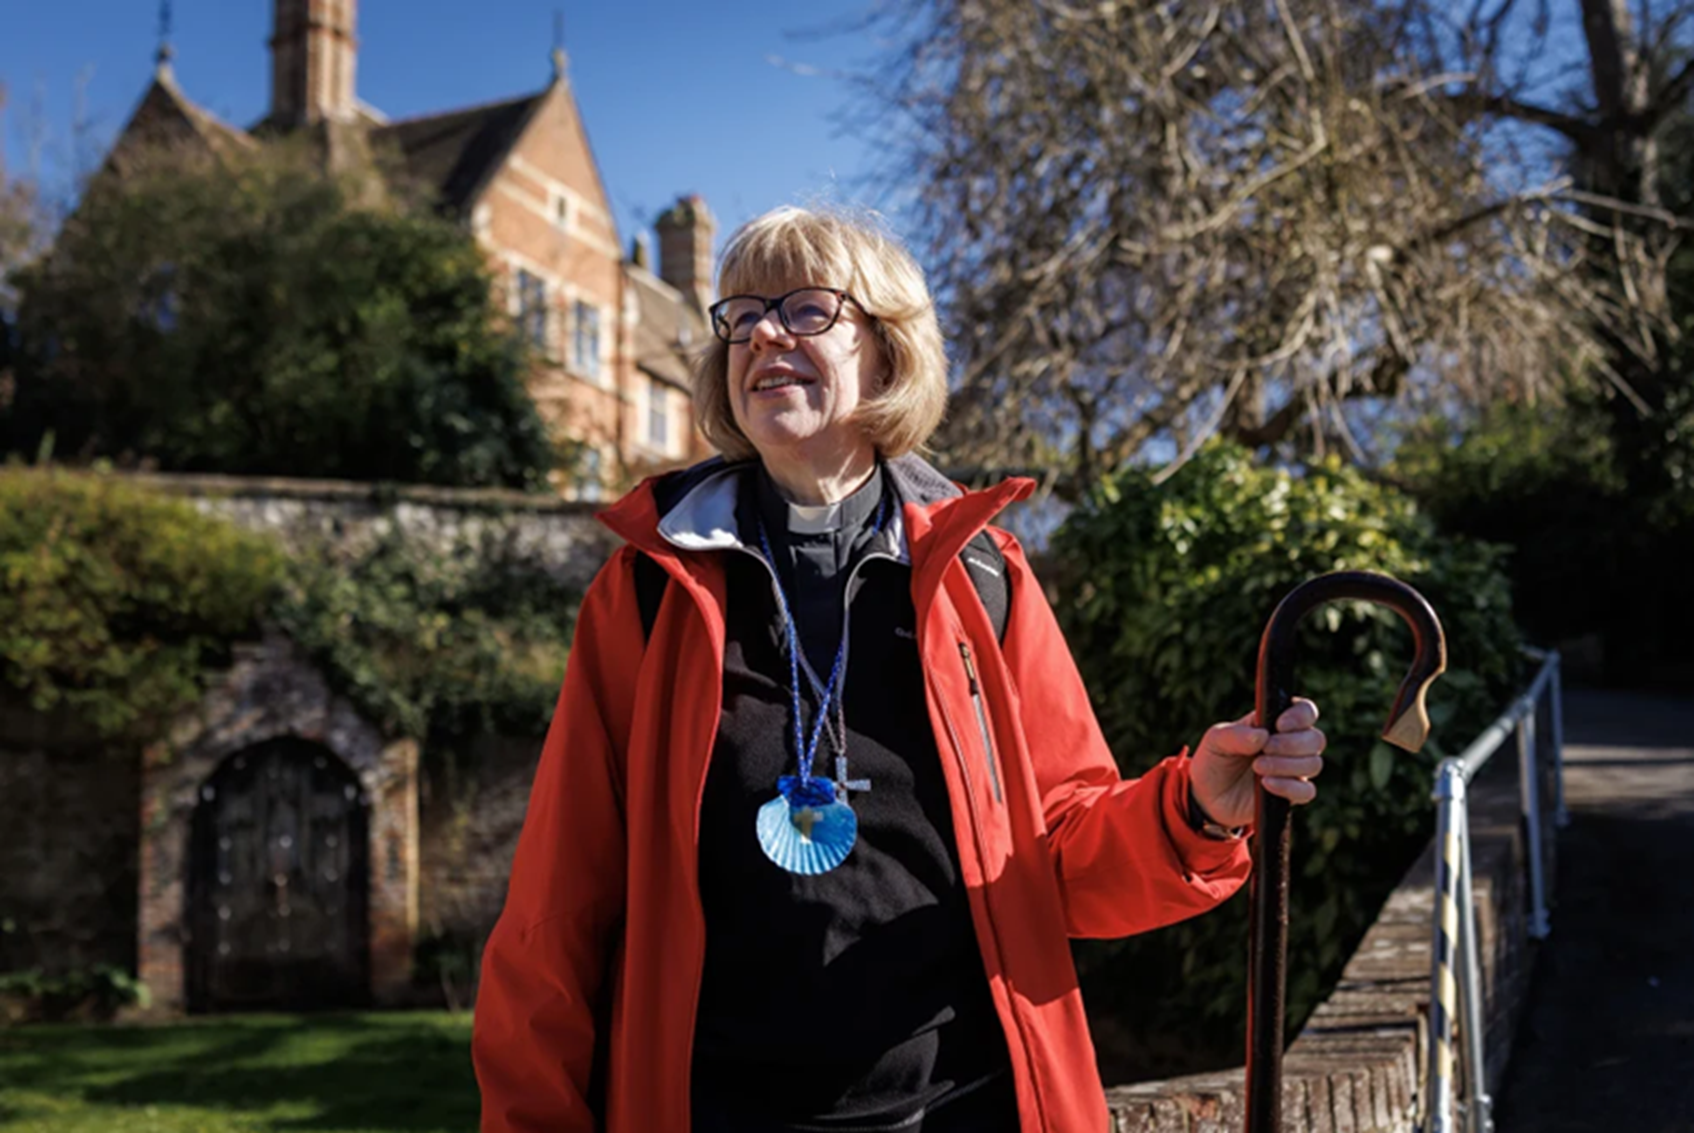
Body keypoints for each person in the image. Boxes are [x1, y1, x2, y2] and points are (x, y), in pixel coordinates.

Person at [472, 206, 1327, 1133]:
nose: (763, 334)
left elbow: (1057, 861)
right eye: (742, 315)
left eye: (807, 309)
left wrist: (1194, 808)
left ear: (887, 352)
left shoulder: (983, 576)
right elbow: (557, 908)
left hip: (966, 1111)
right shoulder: (647, 590)